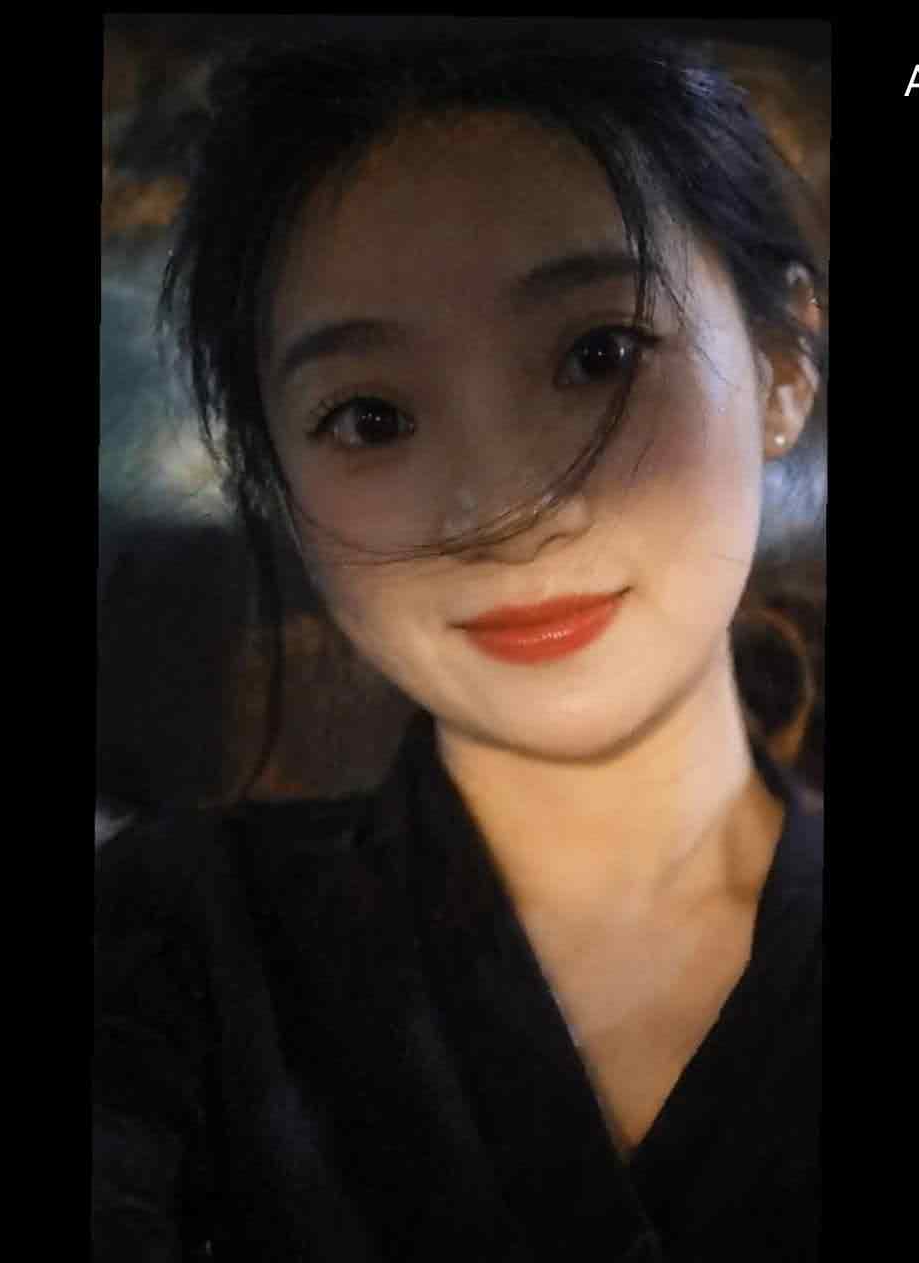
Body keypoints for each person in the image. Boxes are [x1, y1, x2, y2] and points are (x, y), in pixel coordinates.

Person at [94, 22, 826, 1262]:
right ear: (280, 484)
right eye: (370, 417)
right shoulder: (170, 943)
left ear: (779, 364)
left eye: (597, 354)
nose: (504, 513)